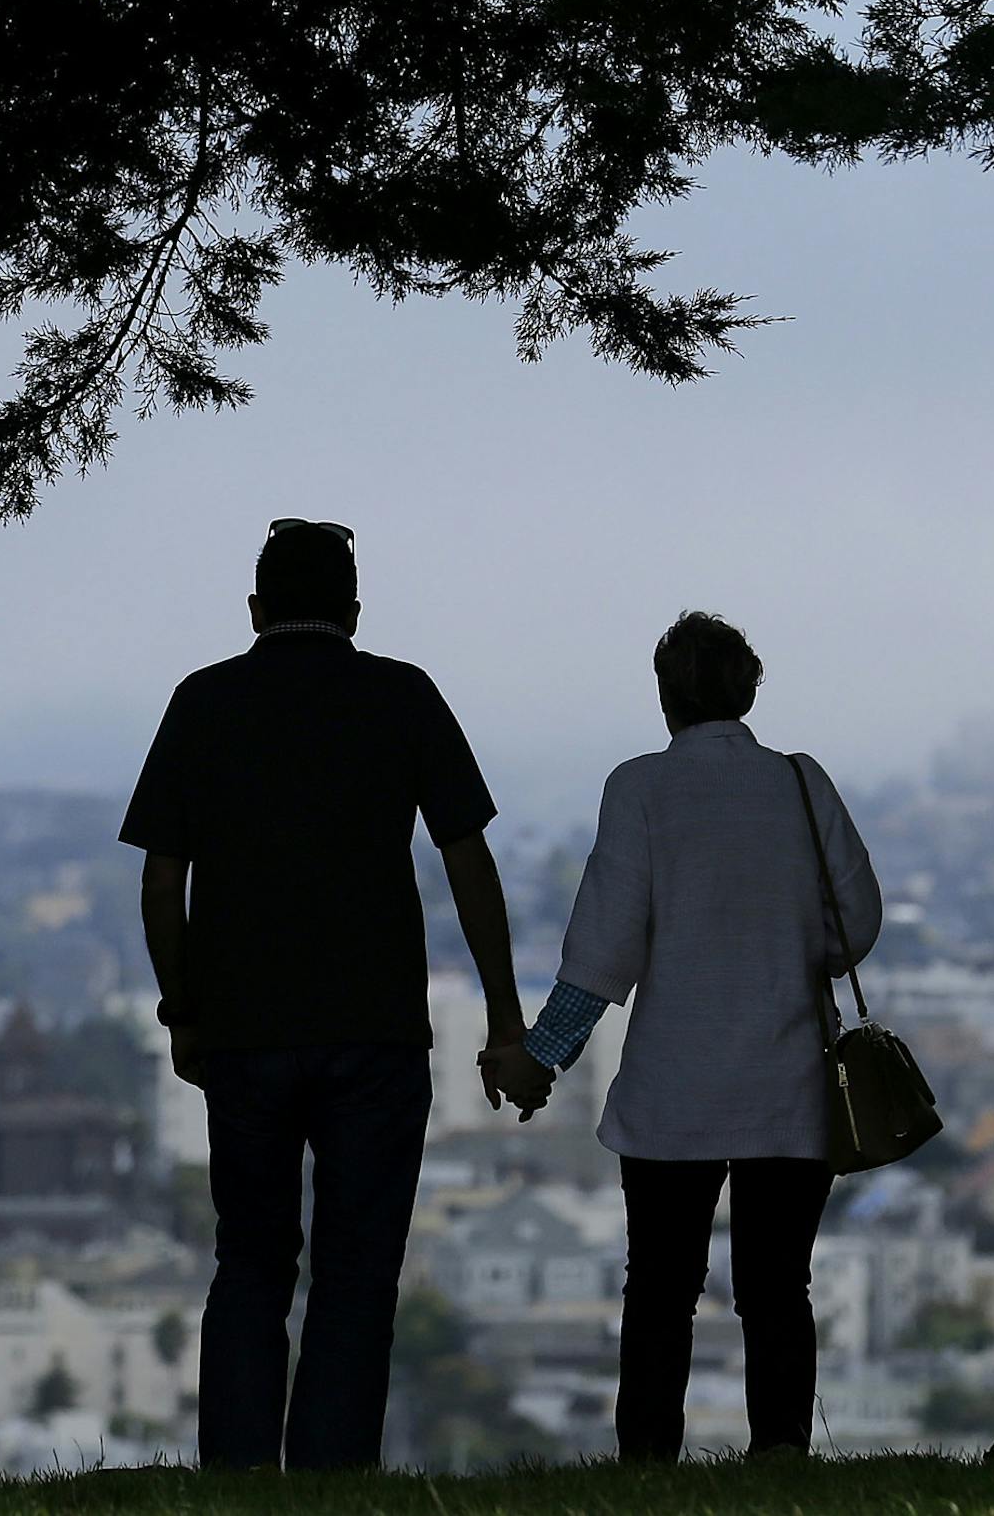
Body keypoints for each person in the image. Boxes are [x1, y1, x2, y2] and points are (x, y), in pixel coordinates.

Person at [119, 518, 526, 1472]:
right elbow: (467, 859)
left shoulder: (204, 700)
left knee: (251, 1263)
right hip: (375, 1028)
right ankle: (333, 1477)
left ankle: (237, 1472)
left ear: (256, 609)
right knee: (357, 1276)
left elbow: (158, 881)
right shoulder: (402, 695)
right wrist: (505, 1016)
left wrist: (183, 1010)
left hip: (245, 1029)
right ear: (352, 609)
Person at [483, 610, 884, 1462]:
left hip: (675, 1093)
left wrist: (541, 1055)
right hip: (790, 1086)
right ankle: (779, 1453)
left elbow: (603, 948)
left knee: (660, 1289)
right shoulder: (803, 782)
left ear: (666, 696)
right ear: (748, 688)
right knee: (779, 1287)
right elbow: (858, 919)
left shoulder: (641, 788)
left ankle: (648, 1462)